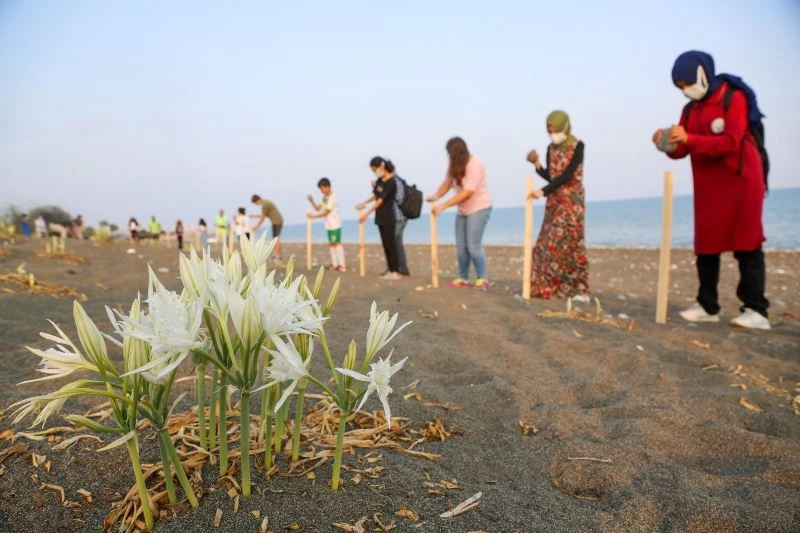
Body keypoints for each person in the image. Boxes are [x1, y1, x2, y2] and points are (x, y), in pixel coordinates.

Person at [652, 50, 769, 330]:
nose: (686, 90)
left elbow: (731, 141)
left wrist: (690, 138)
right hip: (708, 185)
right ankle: (707, 306)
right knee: (706, 245)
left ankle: (756, 310)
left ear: (703, 73)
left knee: (747, 243)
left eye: (688, 83)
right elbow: (682, 149)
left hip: (741, 179)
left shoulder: (733, 97)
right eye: (680, 87)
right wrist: (666, 144)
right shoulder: (690, 110)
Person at [525, 110, 589, 301]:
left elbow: (567, 175)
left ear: (565, 127)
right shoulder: (550, 149)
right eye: (550, 131)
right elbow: (552, 176)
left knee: (567, 243)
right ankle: (548, 286)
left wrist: (542, 191)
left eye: (556, 130)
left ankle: (578, 289)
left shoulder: (578, 146)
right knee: (544, 244)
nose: (553, 135)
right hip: (554, 201)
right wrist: (536, 164)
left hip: (571, 202)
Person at [428, 137, 493, 289]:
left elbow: (467, 192)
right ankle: (463, 278)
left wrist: (444, 206)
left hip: (479, 207)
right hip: (463, 210)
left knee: (473, 246)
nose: (449, 157)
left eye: (451, 153)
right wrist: (436, 196)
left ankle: (482, 279)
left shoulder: (475, 165)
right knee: (461, 247)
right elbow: (447, 183)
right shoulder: (453, 165)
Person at [358, 157, 401, 280]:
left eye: (375, 169)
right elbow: (376, 195)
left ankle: (395, 271)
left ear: (381, 166)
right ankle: (390, 269)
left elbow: (381, 200)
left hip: (388, 217)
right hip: (380, 217)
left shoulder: (391, 182)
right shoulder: (380, 180)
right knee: (385, 245)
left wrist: (367, 214)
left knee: (390, 244)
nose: (374, 172)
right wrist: (364, 202)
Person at [308, 177, 346, 272]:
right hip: (328, 225)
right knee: (331, 244)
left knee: (337, 243)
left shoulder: (333, 198)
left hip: (335, 224)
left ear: (328, 187)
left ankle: (342, 265)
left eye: (322, 189)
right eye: (320, 189)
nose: (321, 191)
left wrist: (313, 217)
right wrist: (312, 201)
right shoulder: (325, 198)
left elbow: (326, 212)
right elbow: (318, 208)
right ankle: (335, 264)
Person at [251, 195, 285, 260]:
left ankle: (278, 256)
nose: (256, 205)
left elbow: (263, 217)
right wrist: (254, 216)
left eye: (255, 203)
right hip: (277, 221)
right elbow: (264, 215)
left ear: (257, 200)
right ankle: (277, 255)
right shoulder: (266, 202)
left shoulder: (264, 205)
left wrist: (257, 226)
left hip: (276, 221)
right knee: (275, 238)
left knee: (276, 239)